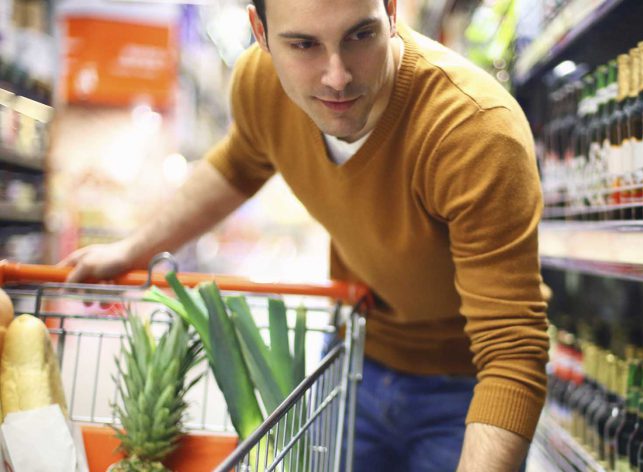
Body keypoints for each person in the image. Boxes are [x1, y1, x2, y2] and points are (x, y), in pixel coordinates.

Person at [59, 0, 550, 470]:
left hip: (463, 389)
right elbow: (237, 165)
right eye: (303, 45)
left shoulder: (475, 133)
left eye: (361, 35)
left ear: (392, 11)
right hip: (354, 357)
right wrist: (131, 250)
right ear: (261, 33)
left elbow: (511, 355)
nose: (337, 76)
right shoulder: (260, 84)